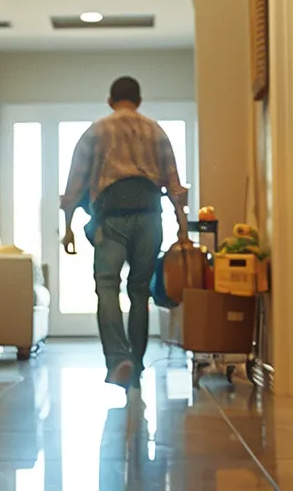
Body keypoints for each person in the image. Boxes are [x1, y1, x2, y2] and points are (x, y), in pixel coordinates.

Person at [60, 76, 190, 389]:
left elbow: (75, 184)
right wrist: (183, 230)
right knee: (139, 290)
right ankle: (138, 363)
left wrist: (68, 228)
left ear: (110, 101)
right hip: (149, 215)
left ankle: (119, 359)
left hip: (111, 216)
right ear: (139, 101)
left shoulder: (96, 131)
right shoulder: (156, 131)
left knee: (107, 285)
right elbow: (174, 186)